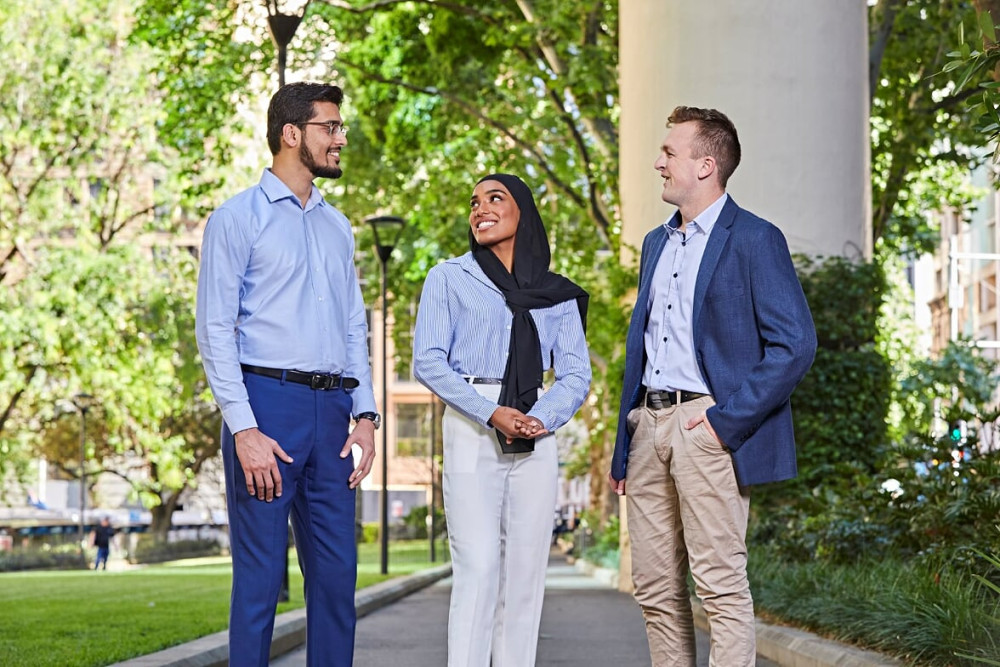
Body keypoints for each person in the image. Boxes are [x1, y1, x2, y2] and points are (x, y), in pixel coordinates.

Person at [609, 106, 817, 667]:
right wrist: (625, 444)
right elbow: (642, 348)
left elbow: (795, 344)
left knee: (720, 589)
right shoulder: (657, 243)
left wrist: (726, 421)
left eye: (669, 153)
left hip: (706, 428)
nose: (658, 162)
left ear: (706, 165)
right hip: (647, 427)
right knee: (654, 590)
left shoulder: (753, 238)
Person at [195, 81, 378, 667]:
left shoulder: (338, 226)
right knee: (259, 579)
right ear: (292, 134)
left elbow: (355, 327)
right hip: (265, 408)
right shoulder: (235, 220)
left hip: (332, 417)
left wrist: (366, 413)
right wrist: (244, 430)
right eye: (331, 127)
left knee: (336, 581)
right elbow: (214, 330)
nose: (341, 137)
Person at [413, 173, 591, 666]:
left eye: (495, 198)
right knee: (478, 566)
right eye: (473, 202)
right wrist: (493, 413)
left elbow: (576, 373)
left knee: (526, 573)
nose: (480, 209)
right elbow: (428, 361)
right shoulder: (448, 277)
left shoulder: (556, 294)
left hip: (538, 429)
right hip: (473, 426)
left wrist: (542, 418)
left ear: (523, 212)